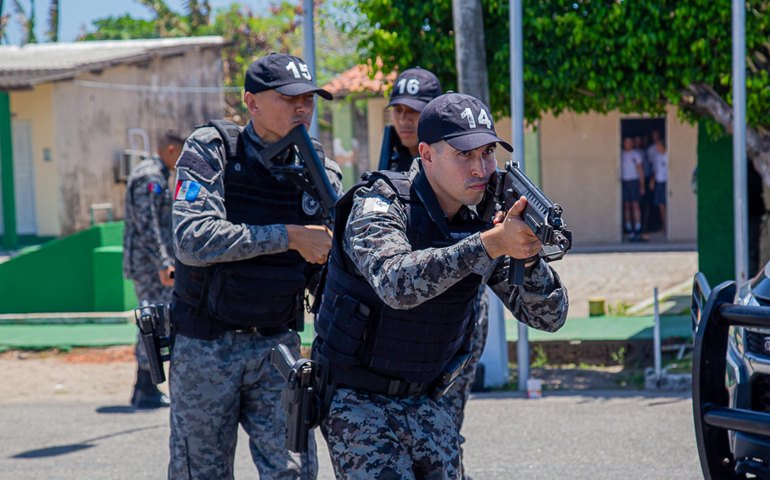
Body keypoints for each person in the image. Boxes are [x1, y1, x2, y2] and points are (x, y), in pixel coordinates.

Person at [314, 92, 569, 478]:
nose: (480, 167)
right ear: (427, 155)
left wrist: (528, 255)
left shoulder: (485, 218)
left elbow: (549, 316)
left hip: (427, 401)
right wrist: (490, 243)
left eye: (487, 153)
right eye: (463, 155)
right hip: (357, 400)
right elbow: (395, 283)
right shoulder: (381, 203)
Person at [168, 52, 342, 479]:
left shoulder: (319, 167)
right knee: (200, 473)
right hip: (207, 345)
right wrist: (290, 236)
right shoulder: (213, 150)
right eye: (289, 99)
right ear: (252, 102)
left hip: (277, 347)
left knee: (293, 472)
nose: (302, 108)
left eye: (308, 99)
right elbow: (192, 238)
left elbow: (333, 262)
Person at [381, 66, 485, 477]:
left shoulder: (461, 161)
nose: (405, 119)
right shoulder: (387, 162)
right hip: (406, 297)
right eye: (398, 110)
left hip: (458, 301)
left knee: (445, 416)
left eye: (414, 111)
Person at [122, 129, 184, 409]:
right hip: (149, 265)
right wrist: (162, 263)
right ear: (170, 149)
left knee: (154, 321)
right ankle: (145, 388)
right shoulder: (151, 177)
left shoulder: (156, 174)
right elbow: (148, 225)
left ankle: (144, 387)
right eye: (181, 153)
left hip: (150, 262)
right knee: (151, 321)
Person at [381, 67, 442, 171]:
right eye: (398, 110)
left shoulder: (449, 164)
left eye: (413, 110)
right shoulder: (394, 163)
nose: (403, 120)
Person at [621, 136, 645, 241]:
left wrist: (642, 185)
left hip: (634, 181)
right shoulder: (621, 154)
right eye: (627, 142)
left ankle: (638, 227)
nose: (628, 144)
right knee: (626, 205)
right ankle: (628, 226)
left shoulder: (636, 154)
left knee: (635, 204)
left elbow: (640, 170)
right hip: (624, 181)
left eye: (630, 142)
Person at [651, 139, 668, 234]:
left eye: (658, 146)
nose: (657, 148)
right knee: (661, 205)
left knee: (667, 205)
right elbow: (655, 170)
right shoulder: (657, 157)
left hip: (666, 182)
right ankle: (663, 226)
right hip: (659, 182)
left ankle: (669, 226)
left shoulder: (668, 156)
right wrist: (653, 180)